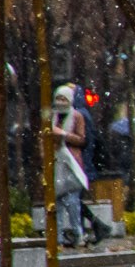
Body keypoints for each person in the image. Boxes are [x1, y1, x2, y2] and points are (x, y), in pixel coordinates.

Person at [49, 84, 97, 246]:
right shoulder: (52, 117)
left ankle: (78, 234)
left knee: (73, 204)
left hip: (72, 165)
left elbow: (82, 139)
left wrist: (62, 135)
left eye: (64, 98)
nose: (61, 102)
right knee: (57, 205)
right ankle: (58, 238)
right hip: (56, 165)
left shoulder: (77, 116)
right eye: (58, 98)